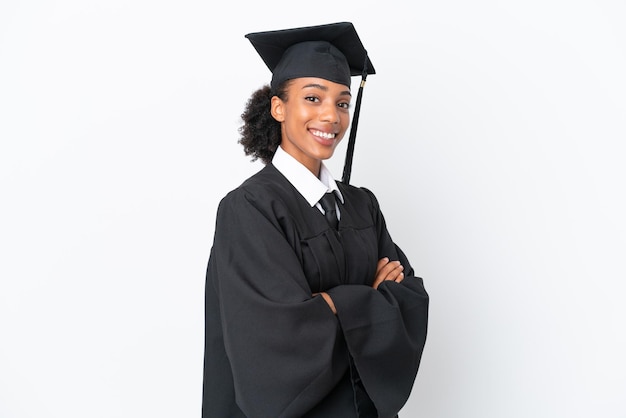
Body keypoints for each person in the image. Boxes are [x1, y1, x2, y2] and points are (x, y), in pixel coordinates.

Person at [202, 22, 429, 418]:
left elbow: (408, 301)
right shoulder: (250, 209)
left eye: (342, 103)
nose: (331, 116)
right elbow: (273, 338)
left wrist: (328, 305)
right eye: (312, 97)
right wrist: (368, 298)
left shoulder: (362, 206)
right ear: (278, 107)